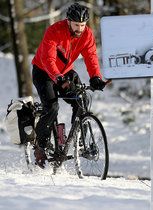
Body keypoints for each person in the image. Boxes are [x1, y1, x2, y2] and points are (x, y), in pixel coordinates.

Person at [32, 3, 107, 168]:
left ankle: (78, 140)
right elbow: (48, 59)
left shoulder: (87, 34)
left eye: (82, 25)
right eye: (76, 25)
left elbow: (91, 56)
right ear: (68, 22)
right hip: (43, 71)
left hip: (65, 72)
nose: (80, 28)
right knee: (51, 108)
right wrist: (57, 77)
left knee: (82, 99)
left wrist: (95, 77)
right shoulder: (54, 31)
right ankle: (40, 146)